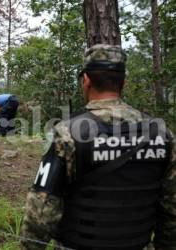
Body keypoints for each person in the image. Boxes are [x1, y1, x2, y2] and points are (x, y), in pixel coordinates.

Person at [20, 44, 176, 250]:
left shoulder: (67, 133)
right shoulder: (162, 133)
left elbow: (40, 210)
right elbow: (172, 209)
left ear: (86, 80)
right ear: (123, 83)